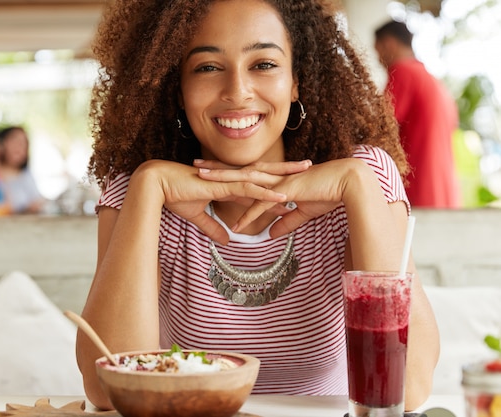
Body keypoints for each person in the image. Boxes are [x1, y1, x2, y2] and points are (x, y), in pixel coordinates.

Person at [76, 0, 440, 411]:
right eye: (207, 67)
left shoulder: (363, 177)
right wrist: (148, 186)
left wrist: (356, 184)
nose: (237, 92)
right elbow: (106, 389)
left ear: (296, 81)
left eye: (263, 64)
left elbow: (408, 388)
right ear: (177, 88)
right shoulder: (137, 190)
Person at [374, 19, 461, 208]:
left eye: (377, 51)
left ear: (388, 44)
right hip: (443, 194)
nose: (378, 59)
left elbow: (377, 128)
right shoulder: (434, 81)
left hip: (417, 192)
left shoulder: (404, 72)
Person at [0, 126, 44, 214]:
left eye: (24, 143)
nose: (19, 147)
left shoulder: (26, 175)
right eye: (15, 141)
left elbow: (39, 201)